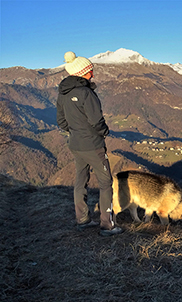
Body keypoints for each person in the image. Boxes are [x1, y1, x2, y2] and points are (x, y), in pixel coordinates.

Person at [57, 51, 122, 236]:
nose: (92, 74)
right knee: (105, 183)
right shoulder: (87, 93)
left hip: (75, 144)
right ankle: (107, 225)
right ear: (83, 72)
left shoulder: (63, 93)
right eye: (90, 71)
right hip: (93, 145)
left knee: (80, 181)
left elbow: (61, 121)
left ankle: (82, 219)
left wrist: (76, 133)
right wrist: (104, 132)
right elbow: (96, 121)